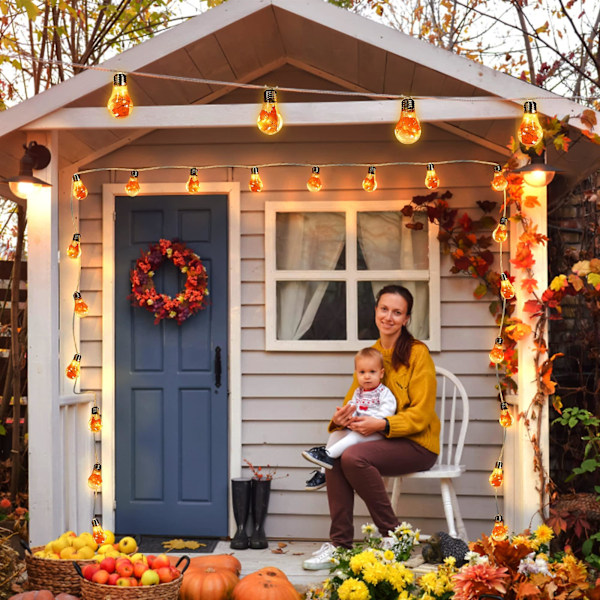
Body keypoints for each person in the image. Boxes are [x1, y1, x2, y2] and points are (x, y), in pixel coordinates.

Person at [302, 284, 440, 570]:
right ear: (376, 311)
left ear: (406, 318)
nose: (389, 317)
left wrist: (383, 423)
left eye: (397, 312)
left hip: (418, 444)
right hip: (381, 440)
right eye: (384, 309)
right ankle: (340, 545)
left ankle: (394, 534)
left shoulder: (417, 354)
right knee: (337, 457)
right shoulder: (370, 355)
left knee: (353, 456)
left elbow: (422, 414)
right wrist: (341, 419)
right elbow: (352, 401)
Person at [301, 347, 397, 473]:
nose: (367, 376)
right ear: (356, 373)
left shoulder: (383, 392)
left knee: (356, 436)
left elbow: (388, 410)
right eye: (362, 372)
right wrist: (348, 415)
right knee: (337, 434)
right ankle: (323, 473)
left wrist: (373, 421)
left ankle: (328, 455)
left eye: (372, 372)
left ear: (381, 373)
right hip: (358, 427)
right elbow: (353, 406)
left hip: (376, 432)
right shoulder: (358, 392)